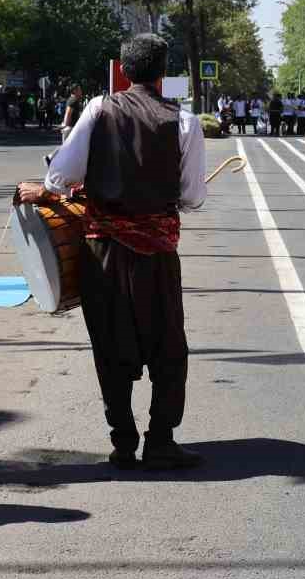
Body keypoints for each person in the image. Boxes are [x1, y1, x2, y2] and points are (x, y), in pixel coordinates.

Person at [24, 34, 208, 470]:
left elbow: (59, 178)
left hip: (101, 252)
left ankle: (123, 441)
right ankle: (161, 439)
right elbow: (193, 197)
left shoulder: (97, 108)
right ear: (164, 73)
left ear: (124, 70)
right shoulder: (184, 122)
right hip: (158, 255)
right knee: (167, 349)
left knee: (109, 344)